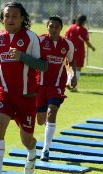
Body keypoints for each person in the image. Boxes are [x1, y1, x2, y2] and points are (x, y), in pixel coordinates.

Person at [0, 2, 47, 174]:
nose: (10, 19)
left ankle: (32, 151)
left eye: (14, 16)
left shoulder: (31, 38)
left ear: (22, 19)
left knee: (26, 139)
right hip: (4, 93)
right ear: (2, 18)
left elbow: (43, 66)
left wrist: (22, 56)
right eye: (7, 16)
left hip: (26, 96)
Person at [37, 16, 77, 161]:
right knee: (41, 121)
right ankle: (48, 124)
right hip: (38, 85)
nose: (53, 29)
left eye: (57, 27)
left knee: (52, 111)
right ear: (47, 27)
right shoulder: (39, 41)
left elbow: (71, 62)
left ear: (61, 28)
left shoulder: (67, 44)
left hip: (56, 86)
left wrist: (73, 75)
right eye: (51, 26)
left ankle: (45, 150)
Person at [65, 15, 95, 91]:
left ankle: (68, 82)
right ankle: (72, 86)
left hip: (69, 51)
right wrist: (92, 48)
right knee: (78, 68)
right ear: (83, 21)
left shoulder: (70, 27)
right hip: (79, 51)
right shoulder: (83, 30)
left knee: (71, 67)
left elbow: (65, 38)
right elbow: (87, 42)